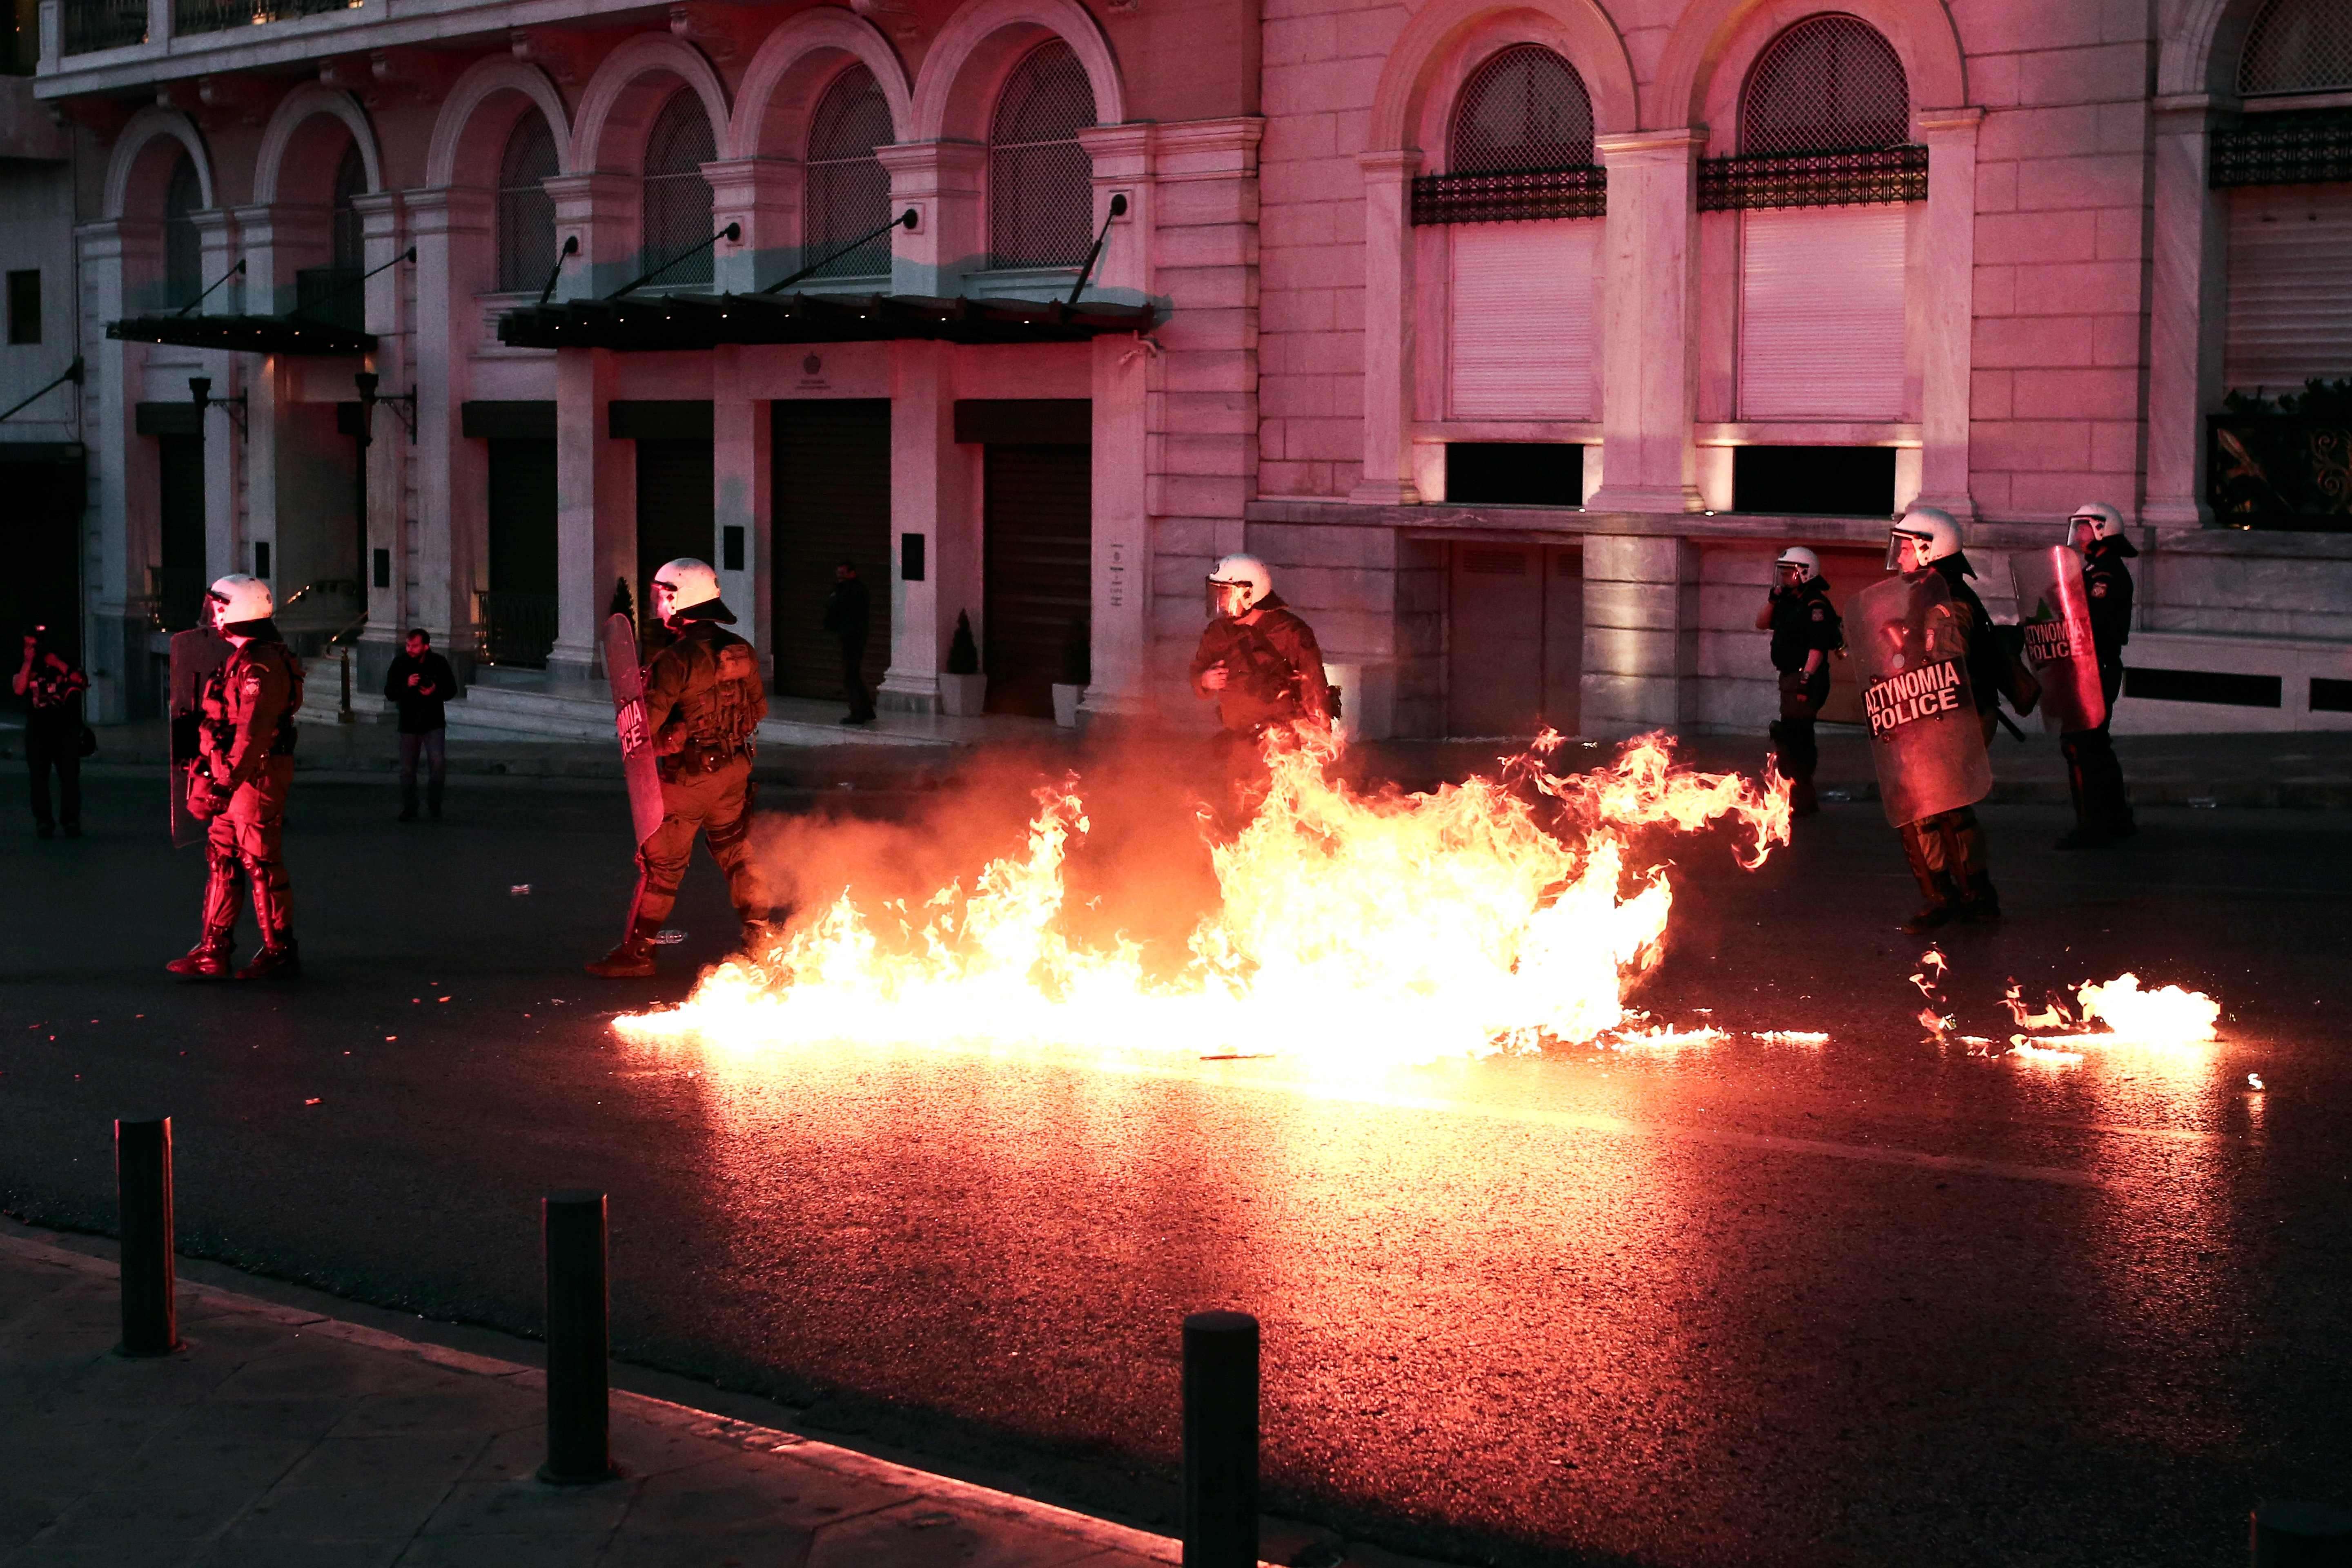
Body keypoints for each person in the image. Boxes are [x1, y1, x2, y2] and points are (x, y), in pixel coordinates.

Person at [586, 558, 773, 978]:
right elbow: (758, 710)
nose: (658, 604)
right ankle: (761, 938)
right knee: (737, 854)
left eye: (662, 595)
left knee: (663, 868)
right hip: (733, 774)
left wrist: (668, 729)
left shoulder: (675, 660)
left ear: (681, 599)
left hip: (687, 781)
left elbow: (644, 729)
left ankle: (638, 954)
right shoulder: (741, 650)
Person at [165, 574, 305, 980]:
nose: (214, 614)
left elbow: (253, 733)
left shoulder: (260, 664)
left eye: (220, 606)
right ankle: (213, 951)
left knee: (260, 861)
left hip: (254, 776)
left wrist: (225, 785)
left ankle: (280, 952)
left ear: (237, 609)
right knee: (222, 857)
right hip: (232, 775)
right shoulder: (241, 657)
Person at [1884, 507, 2003, 934]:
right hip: (1941, 716)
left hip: (1952, 717)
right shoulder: (1930, 593)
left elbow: (1946, 668)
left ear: (1928, 549)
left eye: (1905, 548)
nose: (1899, 557)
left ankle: (1955, 897)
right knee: (1941, 808)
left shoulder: (1947, 603)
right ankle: (1968, 895)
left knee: (1935, 809)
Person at [1189, 554, 1332, 819]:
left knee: (1280, 815)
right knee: (1241, 815)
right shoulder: (1216, 634)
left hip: (1282, 744)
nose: (1220, 601)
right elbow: (1196, 673)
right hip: (1238, 743)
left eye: (1227, 594)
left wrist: (1320, 740)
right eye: (1217, 593)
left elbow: (1314, 686)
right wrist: (1205, 681)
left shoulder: (1291, 632)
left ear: (1250, 595)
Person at [2056, 501, 2138, 849]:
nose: (2079, 534)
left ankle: (2092, 824)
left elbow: (2094, 621)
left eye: (2084, 527)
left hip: (2097, 666)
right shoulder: (2094, 571)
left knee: (2081, 743)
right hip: (2094, 666)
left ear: (2102, 530)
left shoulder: (2105, 575)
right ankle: (2117, 818)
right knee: (2096, 744)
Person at [1755, 546, 1840, 817]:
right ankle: (1798, 794)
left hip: (1805, 677)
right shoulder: (1788, 601)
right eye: (1781, 572)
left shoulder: (1815, 605)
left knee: (1798, 734)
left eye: (1788, 573)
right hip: (1790, 677)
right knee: (1791, 732)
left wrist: (1805, 680)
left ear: (1805, 573)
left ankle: (1802, 797)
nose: (1783, 578)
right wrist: (1772, 601)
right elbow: (1761, 623)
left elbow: (1818, 647)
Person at [14, 628, 89, 840]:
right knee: (39, 779)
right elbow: (19, 689)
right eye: (26, 646)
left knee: (70, 778)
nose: (30, 650)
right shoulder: (27, 666)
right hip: (38, 731)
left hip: (65, 729)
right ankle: (44, 821)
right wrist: (28, 663)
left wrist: (57, 664)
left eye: (33, 646)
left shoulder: (62, 660)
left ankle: (71, 821)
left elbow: (81, 682)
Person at [383, 627, 456, 822]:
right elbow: (390, 692)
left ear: (426, 646)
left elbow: (451, 690)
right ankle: (410, 807)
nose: (410, 649)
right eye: (408, 645)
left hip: (433, 722)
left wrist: (435, 690)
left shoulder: (438, 663)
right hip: (409, 723)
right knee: (407, 769)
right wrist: (407, 685)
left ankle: (434, 804)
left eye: (415, 646)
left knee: (438, 764)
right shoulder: (401, 663)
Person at [822, 561, 874, 726]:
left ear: (852, 573)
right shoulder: (851, 589)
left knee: (850, 675)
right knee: (854, 674)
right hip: (851, 636)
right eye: (839, 574)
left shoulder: (853, 591)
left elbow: (837, 606)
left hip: (853, 637)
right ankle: (866, 710)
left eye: (843, 573)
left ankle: (858, 712)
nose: (840, 577)